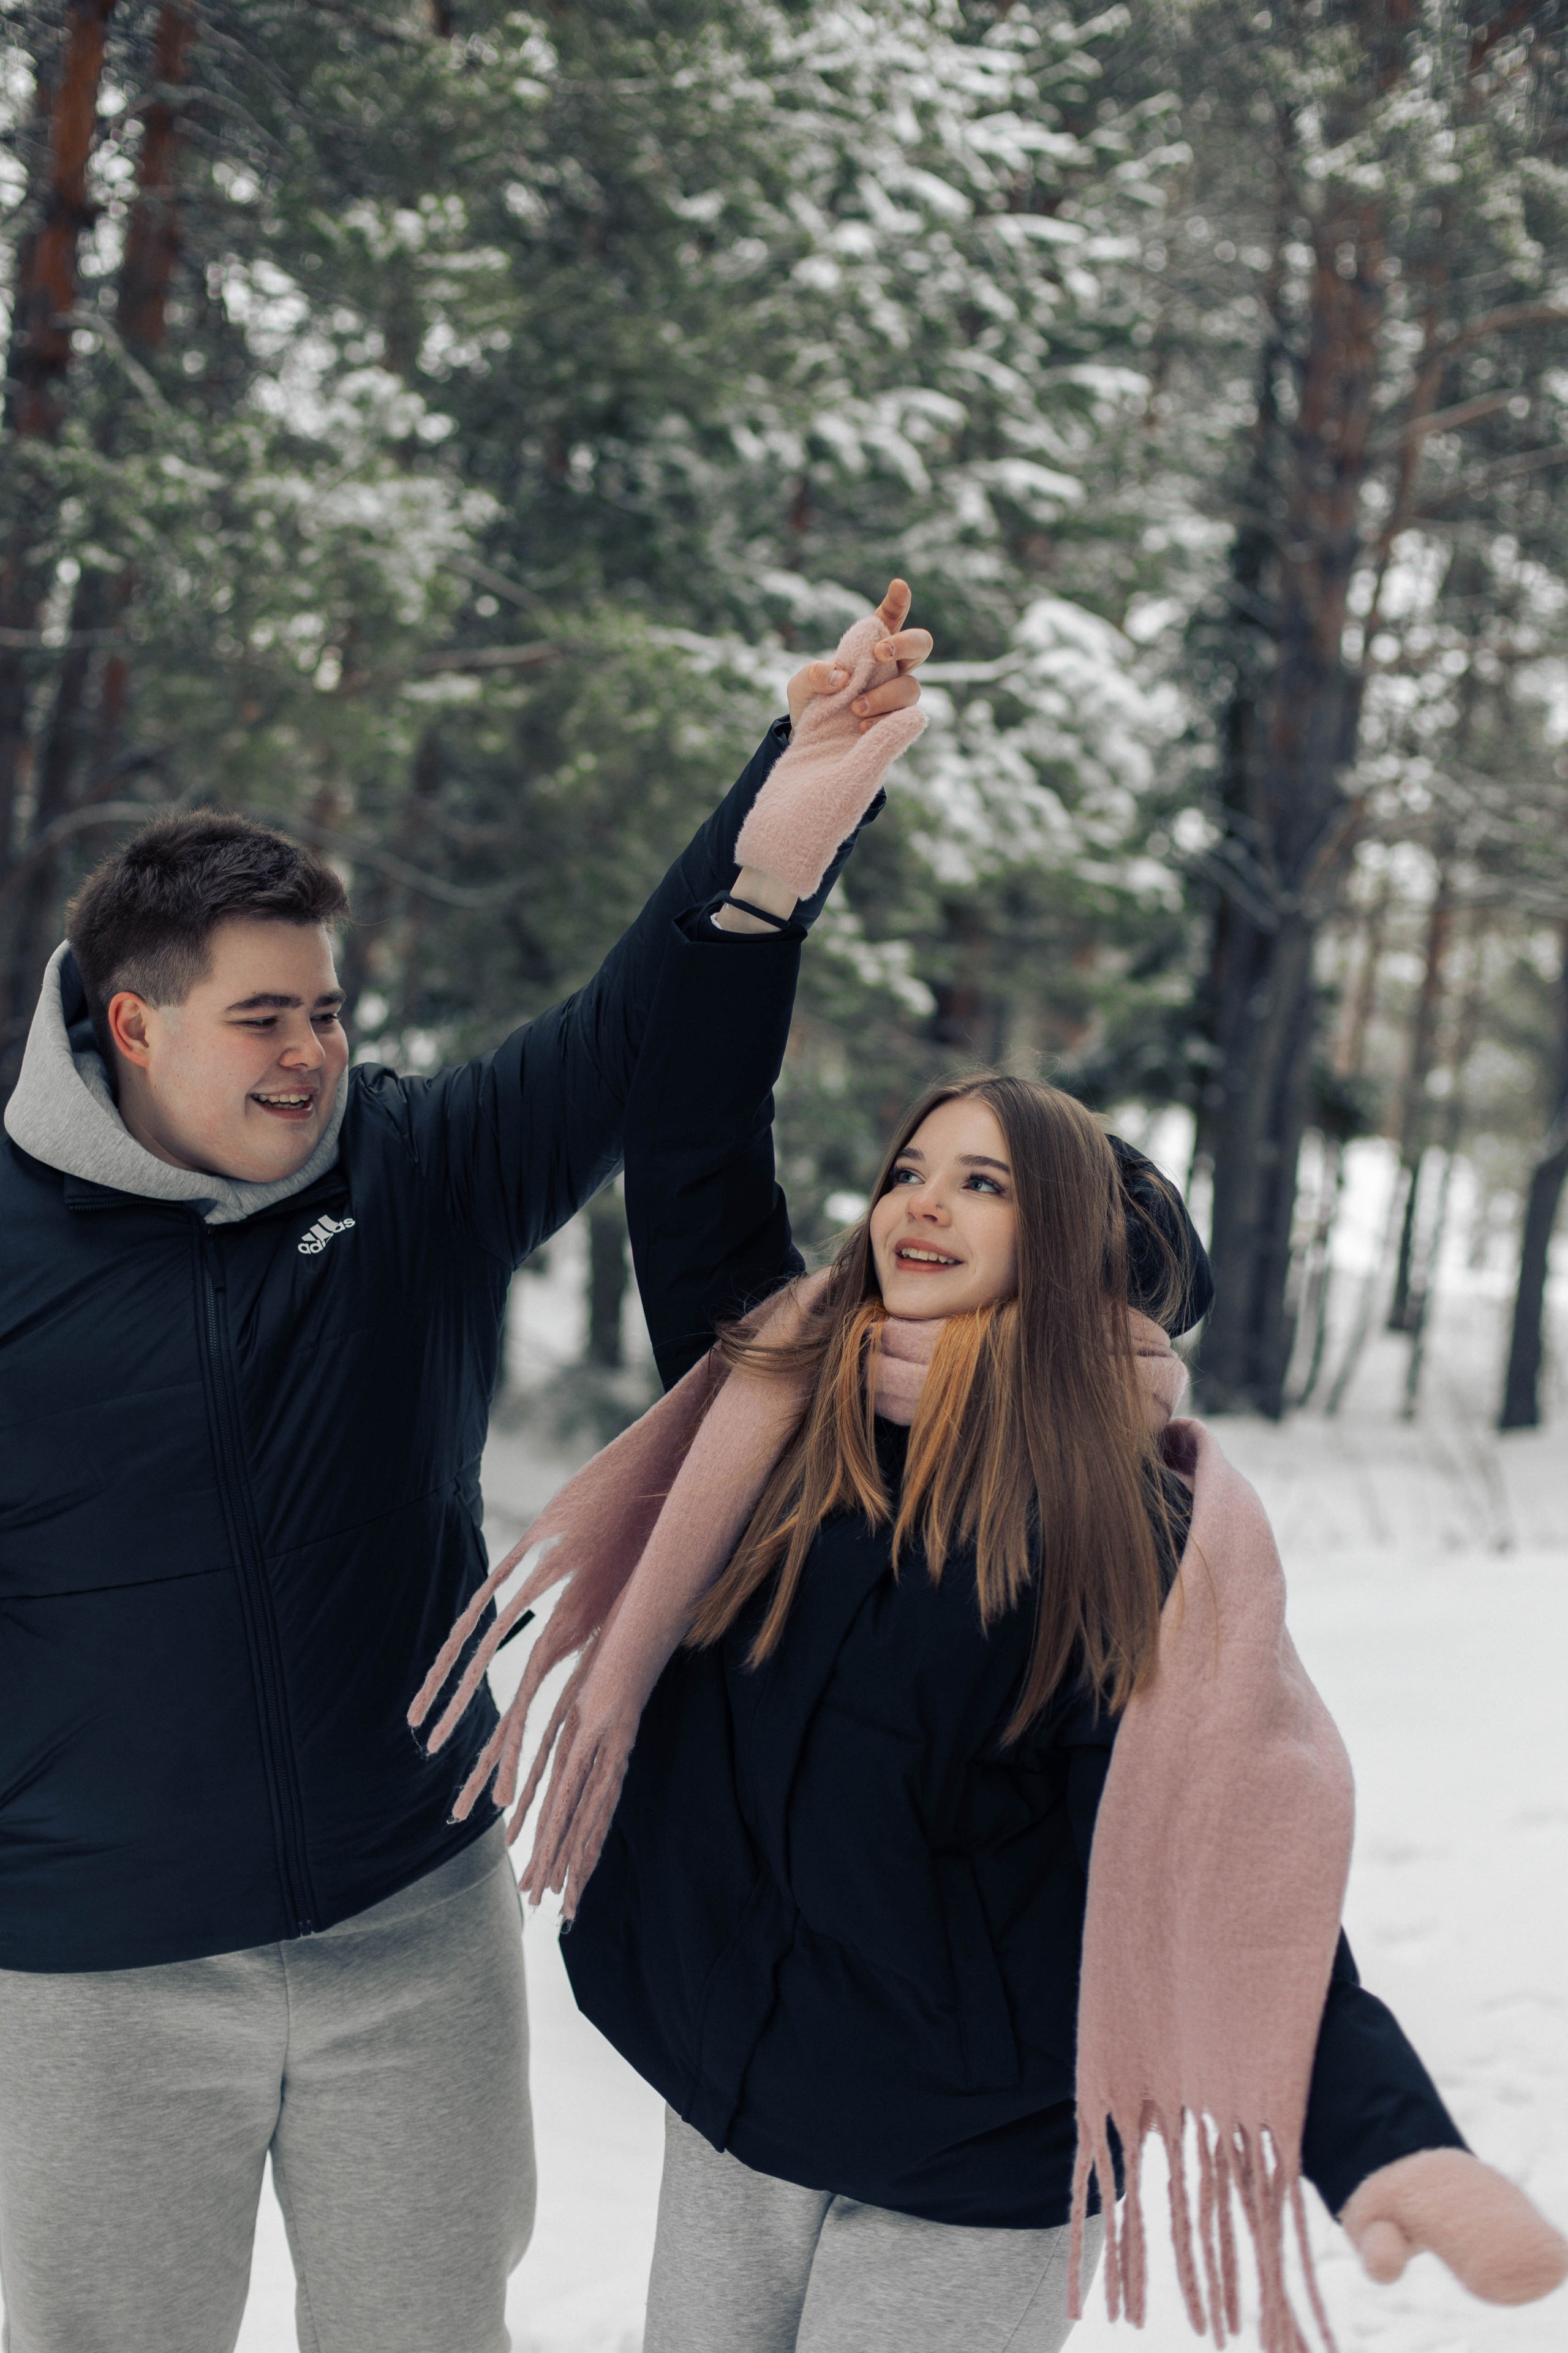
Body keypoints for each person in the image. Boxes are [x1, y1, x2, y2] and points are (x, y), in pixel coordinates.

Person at [0, 585, 933, 2353]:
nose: (313, 1054)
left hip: (407, 1927)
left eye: (328, 1011)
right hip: (96, 1971)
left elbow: (629, 1032)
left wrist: (788, 795)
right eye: (263, 1019)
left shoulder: (409, 1171)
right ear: (131, 1027)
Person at [422, 1073, 1568, 2353]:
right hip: (742, 2107)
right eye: (909, 1170)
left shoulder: (1119, 1533)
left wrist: (1387, 2142)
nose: (923, 1203)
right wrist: (752, 900)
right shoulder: (789, 1419)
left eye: (985, 1183)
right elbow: (693, 1146)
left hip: (969, 2162)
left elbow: (1220, 1863)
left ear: (1068, 1239)